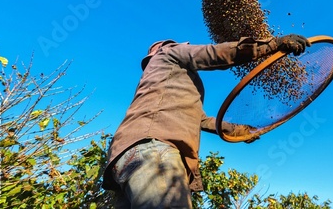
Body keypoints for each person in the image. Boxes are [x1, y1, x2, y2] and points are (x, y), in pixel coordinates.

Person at [102, 34, 311, 208]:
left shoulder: (160, 82)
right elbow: (213, 54)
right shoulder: (169, 52)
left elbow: (202, 120)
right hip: (153, 150)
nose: (186, 46)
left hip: (123, 160)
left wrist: (239, 130)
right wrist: (273, 44)